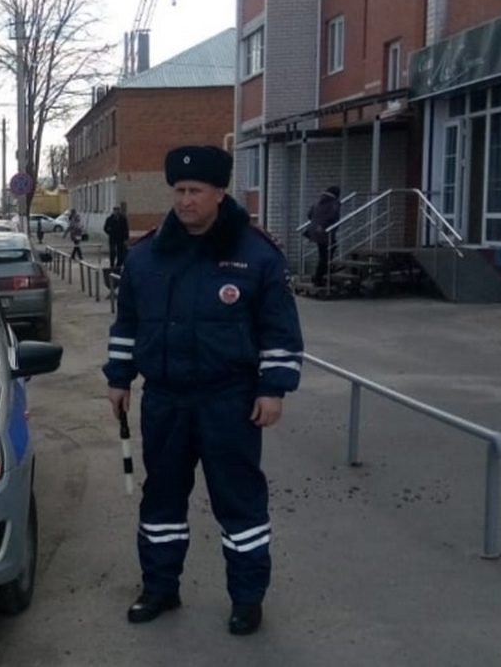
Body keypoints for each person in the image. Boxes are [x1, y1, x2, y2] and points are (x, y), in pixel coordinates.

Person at [102, 145, 304, 636]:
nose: (185, 200)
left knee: (239, 502)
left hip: (229, 401)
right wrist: (118, 377)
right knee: (162, 499)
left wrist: (273, 389)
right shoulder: (147, 255)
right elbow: (127, 322)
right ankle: (160, 588)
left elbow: (279, 330)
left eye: (195, 191)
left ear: (219, 192)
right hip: (166, 399)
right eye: (179, 190)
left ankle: (247, 599)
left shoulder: (255, 255)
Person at [304, 186, 341, 287]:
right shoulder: (334, 203)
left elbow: (309, 214)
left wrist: (317, 221)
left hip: (314, 231)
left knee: (325, 254)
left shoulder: (318, 201)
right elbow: (333, 217)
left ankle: (324, 275)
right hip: (324, 232)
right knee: (325, 257)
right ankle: (319, 279)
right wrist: (323, 225)